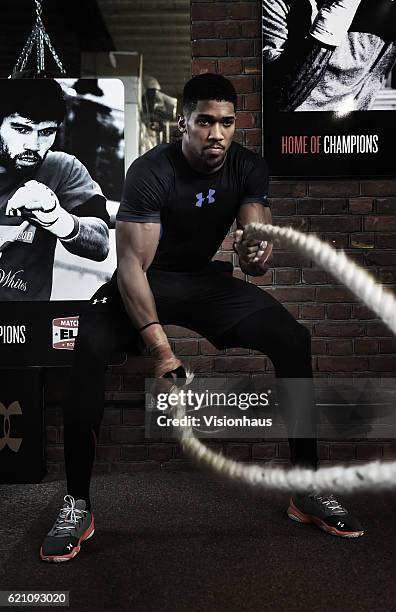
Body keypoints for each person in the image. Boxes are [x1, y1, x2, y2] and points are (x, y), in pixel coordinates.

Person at [40, 73, 364, 563]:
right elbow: (130, 266)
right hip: (146, 279)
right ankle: (77, 502)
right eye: (206, 122)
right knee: (89, 346)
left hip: (203, 282)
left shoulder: (248, 166)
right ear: (183, 122)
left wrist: (256, 253)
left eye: (227, 123)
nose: (217, 134)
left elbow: (255, 231)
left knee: (292, 338)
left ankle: (307, 488)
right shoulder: (150, 171)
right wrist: (162, 350)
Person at [0, 79, 109, 300]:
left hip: (26, 326)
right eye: (21, 129)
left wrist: (57, 219)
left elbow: (100, 241)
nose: (33, 144)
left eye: (46, 132)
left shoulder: (60, 168)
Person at [262, 0, 396, 111]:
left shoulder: (386, 9)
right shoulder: (277, 3)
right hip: (295, 135)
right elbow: (279, 102)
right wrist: (338, 10)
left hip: (354, 137)